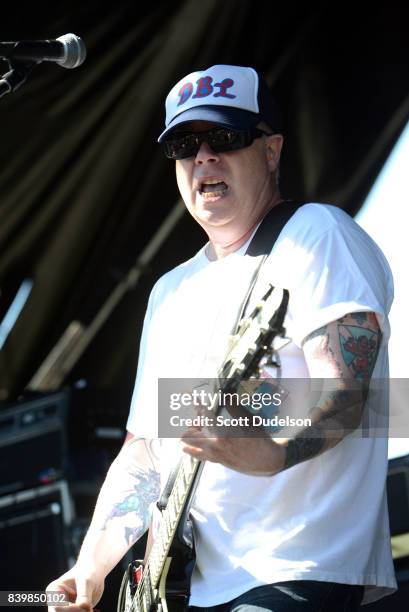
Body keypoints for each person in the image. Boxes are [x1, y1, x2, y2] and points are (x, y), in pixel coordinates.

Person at [47, 64, 397, 611]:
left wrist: (273, 451)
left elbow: (351, 394)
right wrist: (90, 568)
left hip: (297, 569)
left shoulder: (316, 235)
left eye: (225, 138)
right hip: (198, 585)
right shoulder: (170, 291)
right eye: (185, 146)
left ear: (272, 150)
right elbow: (146, 452)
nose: (203, 157)